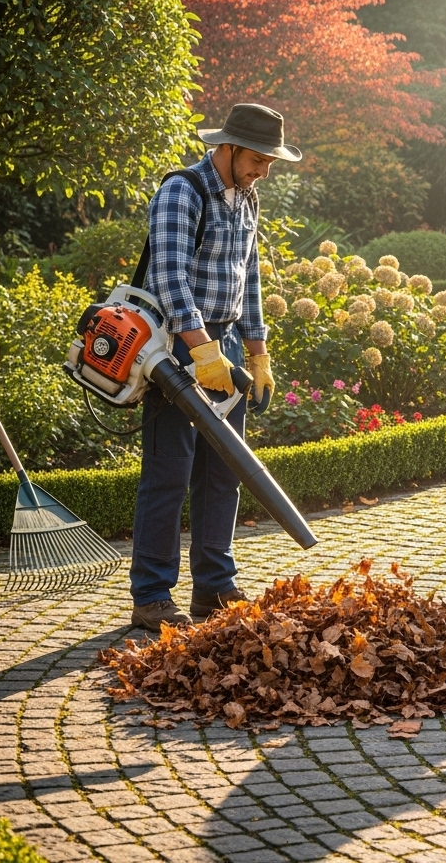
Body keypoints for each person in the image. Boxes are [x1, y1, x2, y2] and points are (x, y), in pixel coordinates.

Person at [129, 104, 301, 632]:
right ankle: (152, 596)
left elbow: (246, 279)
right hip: (174, 345)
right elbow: (170, 279)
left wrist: (256, 352)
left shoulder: (248, 198)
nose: (264, 171)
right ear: (226, 148)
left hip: (221, 343)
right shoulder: (182, 192)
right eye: (257, 159)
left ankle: (213, 587)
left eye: (270, 161)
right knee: (169, 473)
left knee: (222, 470)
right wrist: (201, 352)